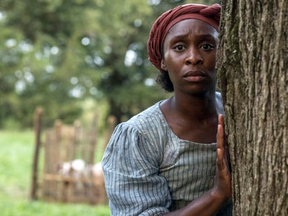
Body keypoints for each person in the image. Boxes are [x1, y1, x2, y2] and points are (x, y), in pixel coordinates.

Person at [102, 3, 232, 216]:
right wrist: (217, 194)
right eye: (179, 47)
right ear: (162, 60)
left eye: (207, 46)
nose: (193, 57)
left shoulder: (237, 113)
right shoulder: (139, 136)